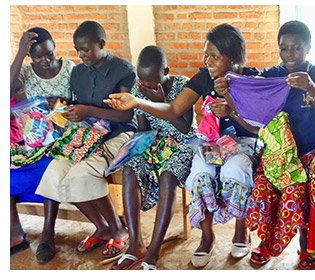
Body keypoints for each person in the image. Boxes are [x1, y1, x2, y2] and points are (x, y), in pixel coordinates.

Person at [104, 23, 261, 268]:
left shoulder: (252, 78)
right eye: (206, 54)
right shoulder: (203, 78)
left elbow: (257, 126)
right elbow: (173, 109)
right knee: (199, 174)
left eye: (215, 57)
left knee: (235, 171)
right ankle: (206, 237)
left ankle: (241, 231)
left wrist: (231, 107)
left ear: (233, 58)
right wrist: (136, 102)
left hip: (242, 142)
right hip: (211, 142)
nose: (207, 61)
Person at [34, 21, 137, 260]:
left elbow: (127, 114)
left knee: (82, 172)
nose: (81, 55)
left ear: (102, 44)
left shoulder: (123, 70)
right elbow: (76, 105)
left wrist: (88, 111)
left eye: (86, 49)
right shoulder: (78, 72)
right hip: (85, 134)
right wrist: (65, 108)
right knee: (55, 171)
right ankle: (102, 227)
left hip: (119, 134)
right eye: (77, 50)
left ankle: (117, 228)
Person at [109, 45, 196, 270]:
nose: (146, 87)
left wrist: (162, 101)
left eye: (152, 82)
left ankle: (154, 251)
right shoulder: (137, 91)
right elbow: (144, 130)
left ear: (166, 69)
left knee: (168, 176)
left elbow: (186, 128)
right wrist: (132, 150)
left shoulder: (182, 85)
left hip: (185, 144)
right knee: (131, 168)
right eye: (142, 81)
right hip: (157, 143)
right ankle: (135, 245)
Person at [244, 20, 315, 269]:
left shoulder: (313, 75)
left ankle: (307, 244)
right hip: (278, 154)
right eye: (284, 48)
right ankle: (265, 240)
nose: (290, 54)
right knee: (264, 186)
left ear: (308, 47)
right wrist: (231, 88)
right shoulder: (273, 75)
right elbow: (252, 98)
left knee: (307, 185)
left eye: (296, 48)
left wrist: (311, 88)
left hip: (309, 152)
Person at [10, 27, 75, 263]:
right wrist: (19, 53)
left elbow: (80, 100)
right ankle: (15, 231)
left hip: (63, 136)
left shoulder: (68, 68)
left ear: (54, 48)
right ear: (30, 57)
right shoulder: (25, 71)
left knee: (51, 165)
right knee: (10, 165)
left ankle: (48, 234)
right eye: (38, 56)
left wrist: (60, 104)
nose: (46, 60)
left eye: (49, 53)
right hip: (35, 138)